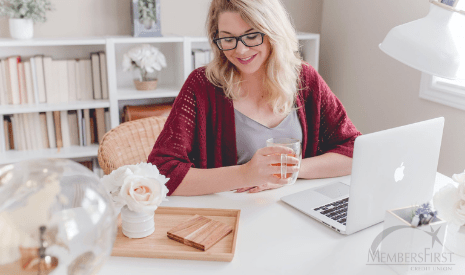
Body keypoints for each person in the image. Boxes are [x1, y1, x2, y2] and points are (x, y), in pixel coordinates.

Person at [148, 0, 361, 196]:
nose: (240, 50)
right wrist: (246, 173)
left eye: (251, 36)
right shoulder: (202, 86)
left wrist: (289, 170)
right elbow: (162, 172)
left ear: (273, 32)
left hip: (294, 211)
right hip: (228, 218)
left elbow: (355, 150)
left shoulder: (305, 79)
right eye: (228, 38)